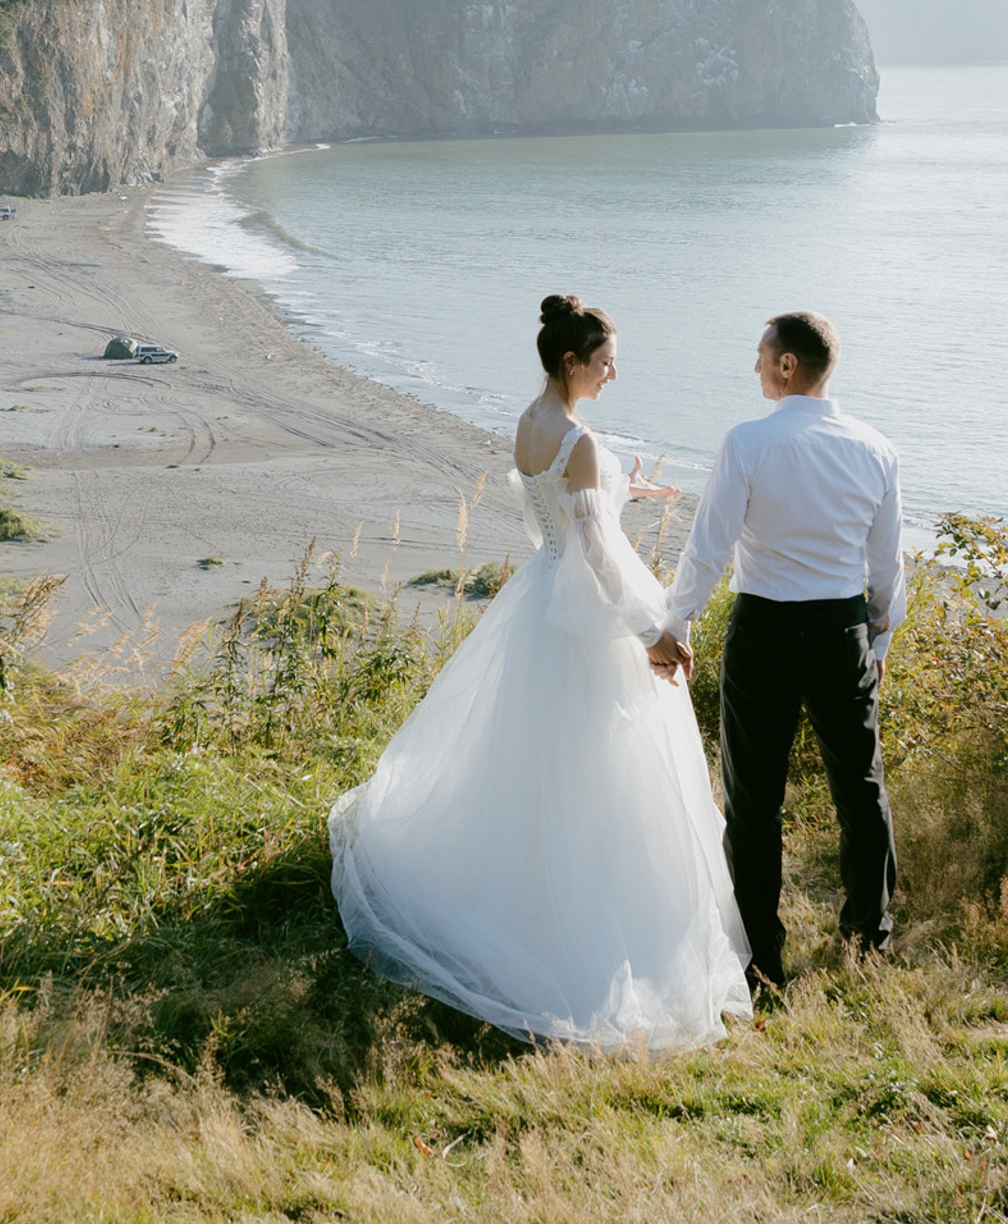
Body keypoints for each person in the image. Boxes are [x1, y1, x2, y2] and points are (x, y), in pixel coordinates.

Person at [329, 295, 754, 1047]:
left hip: (540, 596)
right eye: (605, 363)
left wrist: (627, 490)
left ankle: (523, 877)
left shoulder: (531, 422)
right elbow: (596, 548)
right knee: (602, 761)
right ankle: (588, 914)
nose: (613, 374)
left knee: (533, 758)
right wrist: (649, 631)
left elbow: (556, 513)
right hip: (587, 615)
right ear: (571, 362)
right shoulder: (580, 440)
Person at [647, 311, 905, 995]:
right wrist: (878, 638)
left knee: (754, 800)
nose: (755, 367)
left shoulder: (748, 443)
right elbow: (887, 566)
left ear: (788, 365)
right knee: (861, 788)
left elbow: (708, 547)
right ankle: (868, 939)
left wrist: (676, 623)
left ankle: (761, 959)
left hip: (764, 630)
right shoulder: (876, 448)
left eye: (761, 356)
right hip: (841, 631)